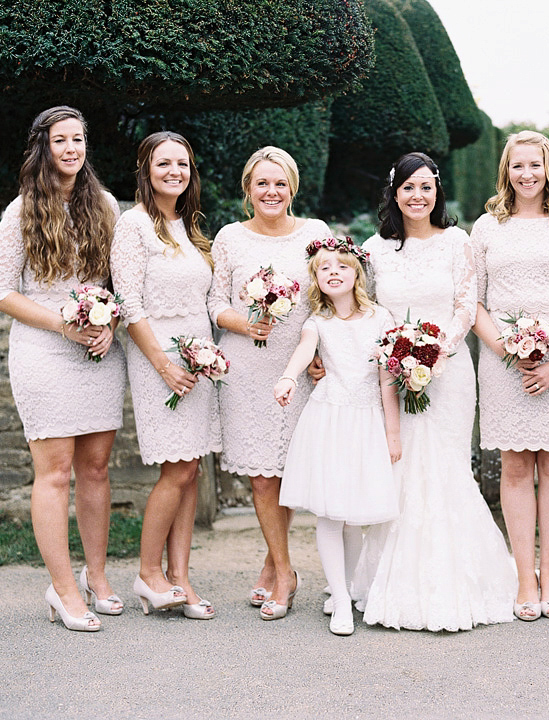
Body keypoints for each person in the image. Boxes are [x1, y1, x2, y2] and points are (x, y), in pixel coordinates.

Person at [350, 152, 517, 632]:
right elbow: (367, 311)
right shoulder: (375, 249)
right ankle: (390, 580)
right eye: (408, 187)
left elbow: (467, 303)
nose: (417, 196)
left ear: (437, 191)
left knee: (445, 468)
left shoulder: (457, 242)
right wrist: (398, 355)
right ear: (394, 193)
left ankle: (461, 581)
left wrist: (433, 351)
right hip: (392, 372)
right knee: (402, 469)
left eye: (426, 187)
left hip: (449, 370)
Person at [0, 106, 125, 631]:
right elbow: (0, 292)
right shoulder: (21, 212)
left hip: (96, 349)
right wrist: (62, 326)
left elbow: (116, 281)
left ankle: (97, 576)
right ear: (42, 148)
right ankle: (63, 589)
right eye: (60, 141)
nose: (71, 149)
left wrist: (109, 321)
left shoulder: (106, 205)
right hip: (43, 350)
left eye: (78, 139)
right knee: (57, 471)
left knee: (95, 469)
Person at [471, 131, 549, 621]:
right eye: (517, 166)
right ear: (507, 171)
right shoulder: (487, 227)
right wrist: (506, 349)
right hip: (505, 364)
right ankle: (524, 576)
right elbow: (474, 301)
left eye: (535, 165)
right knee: (517, 467)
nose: (527, 175)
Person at [207, 146, 332, 618]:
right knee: (262, 476)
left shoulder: (316, 235)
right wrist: (244, 324)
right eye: (262, 183)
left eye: (280, 183)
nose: (271, 191)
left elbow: (329, 298)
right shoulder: (229, 239)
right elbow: (215, 303)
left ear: (293, 187)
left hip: (296, 368)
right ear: (248, 189)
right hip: (248, 367)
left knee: (288, 471)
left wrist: (321, 354)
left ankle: (270, 565)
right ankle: (284, 573)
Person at [110, 131, 220, 619]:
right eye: (164, 163)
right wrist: (164, 364)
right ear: (146, 170)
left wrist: (203, 357)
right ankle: (148, 573)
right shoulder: (133, 226)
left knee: (192, 466)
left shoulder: (189, 225)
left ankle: (181, 578)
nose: (175, 171)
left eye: (183, 164)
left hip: (198, 358)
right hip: (160, 358)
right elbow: (129, 302)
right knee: (175, 468)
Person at [273, 238, 401, 634]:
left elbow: (386, 378)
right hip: (328, 420)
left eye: (342, 266)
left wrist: (392, 432)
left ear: (357, 274)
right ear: (315, 278)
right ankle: (342, 602)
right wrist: (289, 377)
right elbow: (302, 351)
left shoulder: (381, 318)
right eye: (324, 267)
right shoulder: (317, 323)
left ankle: (346, 586)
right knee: (330, 512)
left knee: (353, 516)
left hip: (366, 422)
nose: (333, 272)